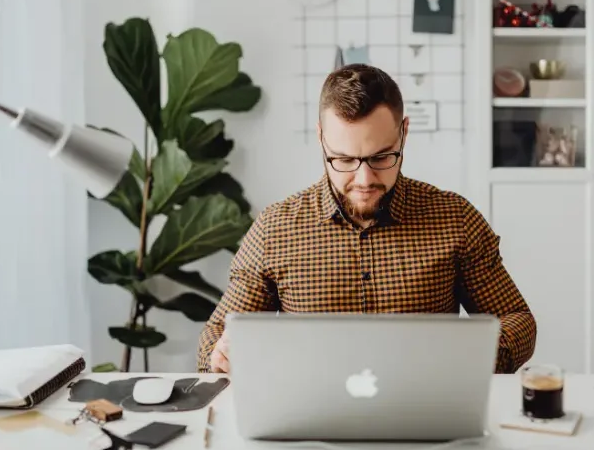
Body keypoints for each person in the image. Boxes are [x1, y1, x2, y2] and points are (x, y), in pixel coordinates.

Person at [197, 64, 536, 374]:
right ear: (321, 139)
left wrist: (471, 358)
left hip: (425, 417)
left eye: (381, 157)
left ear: (404, 133)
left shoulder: (455, 219)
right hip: (309, 424)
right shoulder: (275, 229)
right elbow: (216, 334)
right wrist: (220, 353)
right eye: (343, 159)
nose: (363, 180)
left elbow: (518, 321)